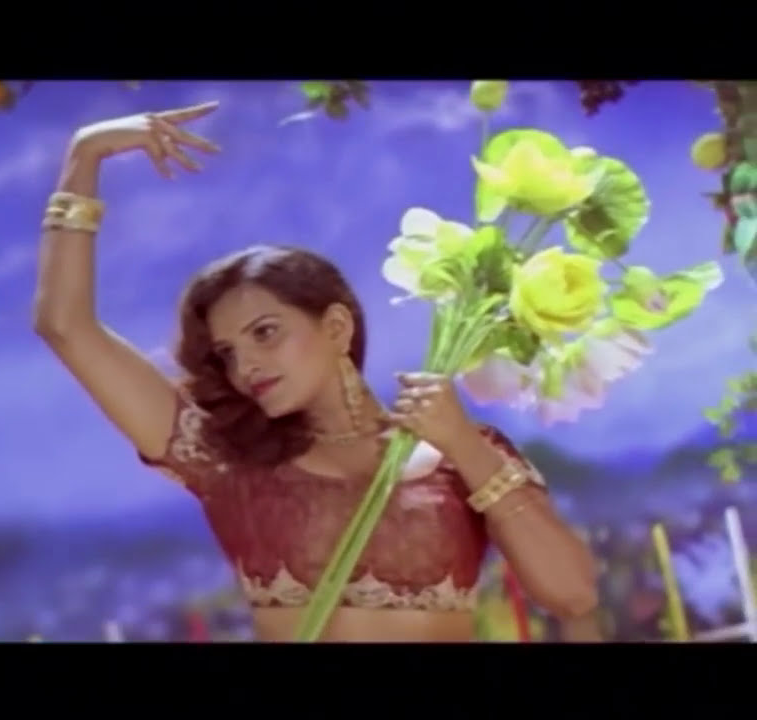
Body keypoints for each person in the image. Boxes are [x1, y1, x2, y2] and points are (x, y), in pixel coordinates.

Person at [32, 102, 602, 642]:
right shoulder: (226, 459)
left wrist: (462, 445)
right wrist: (86, 153)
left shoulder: (462, 455)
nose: (245, 365)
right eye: (227, 353)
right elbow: (66, 326)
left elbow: (574, 597)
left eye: (265, 333)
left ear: (335, 327)